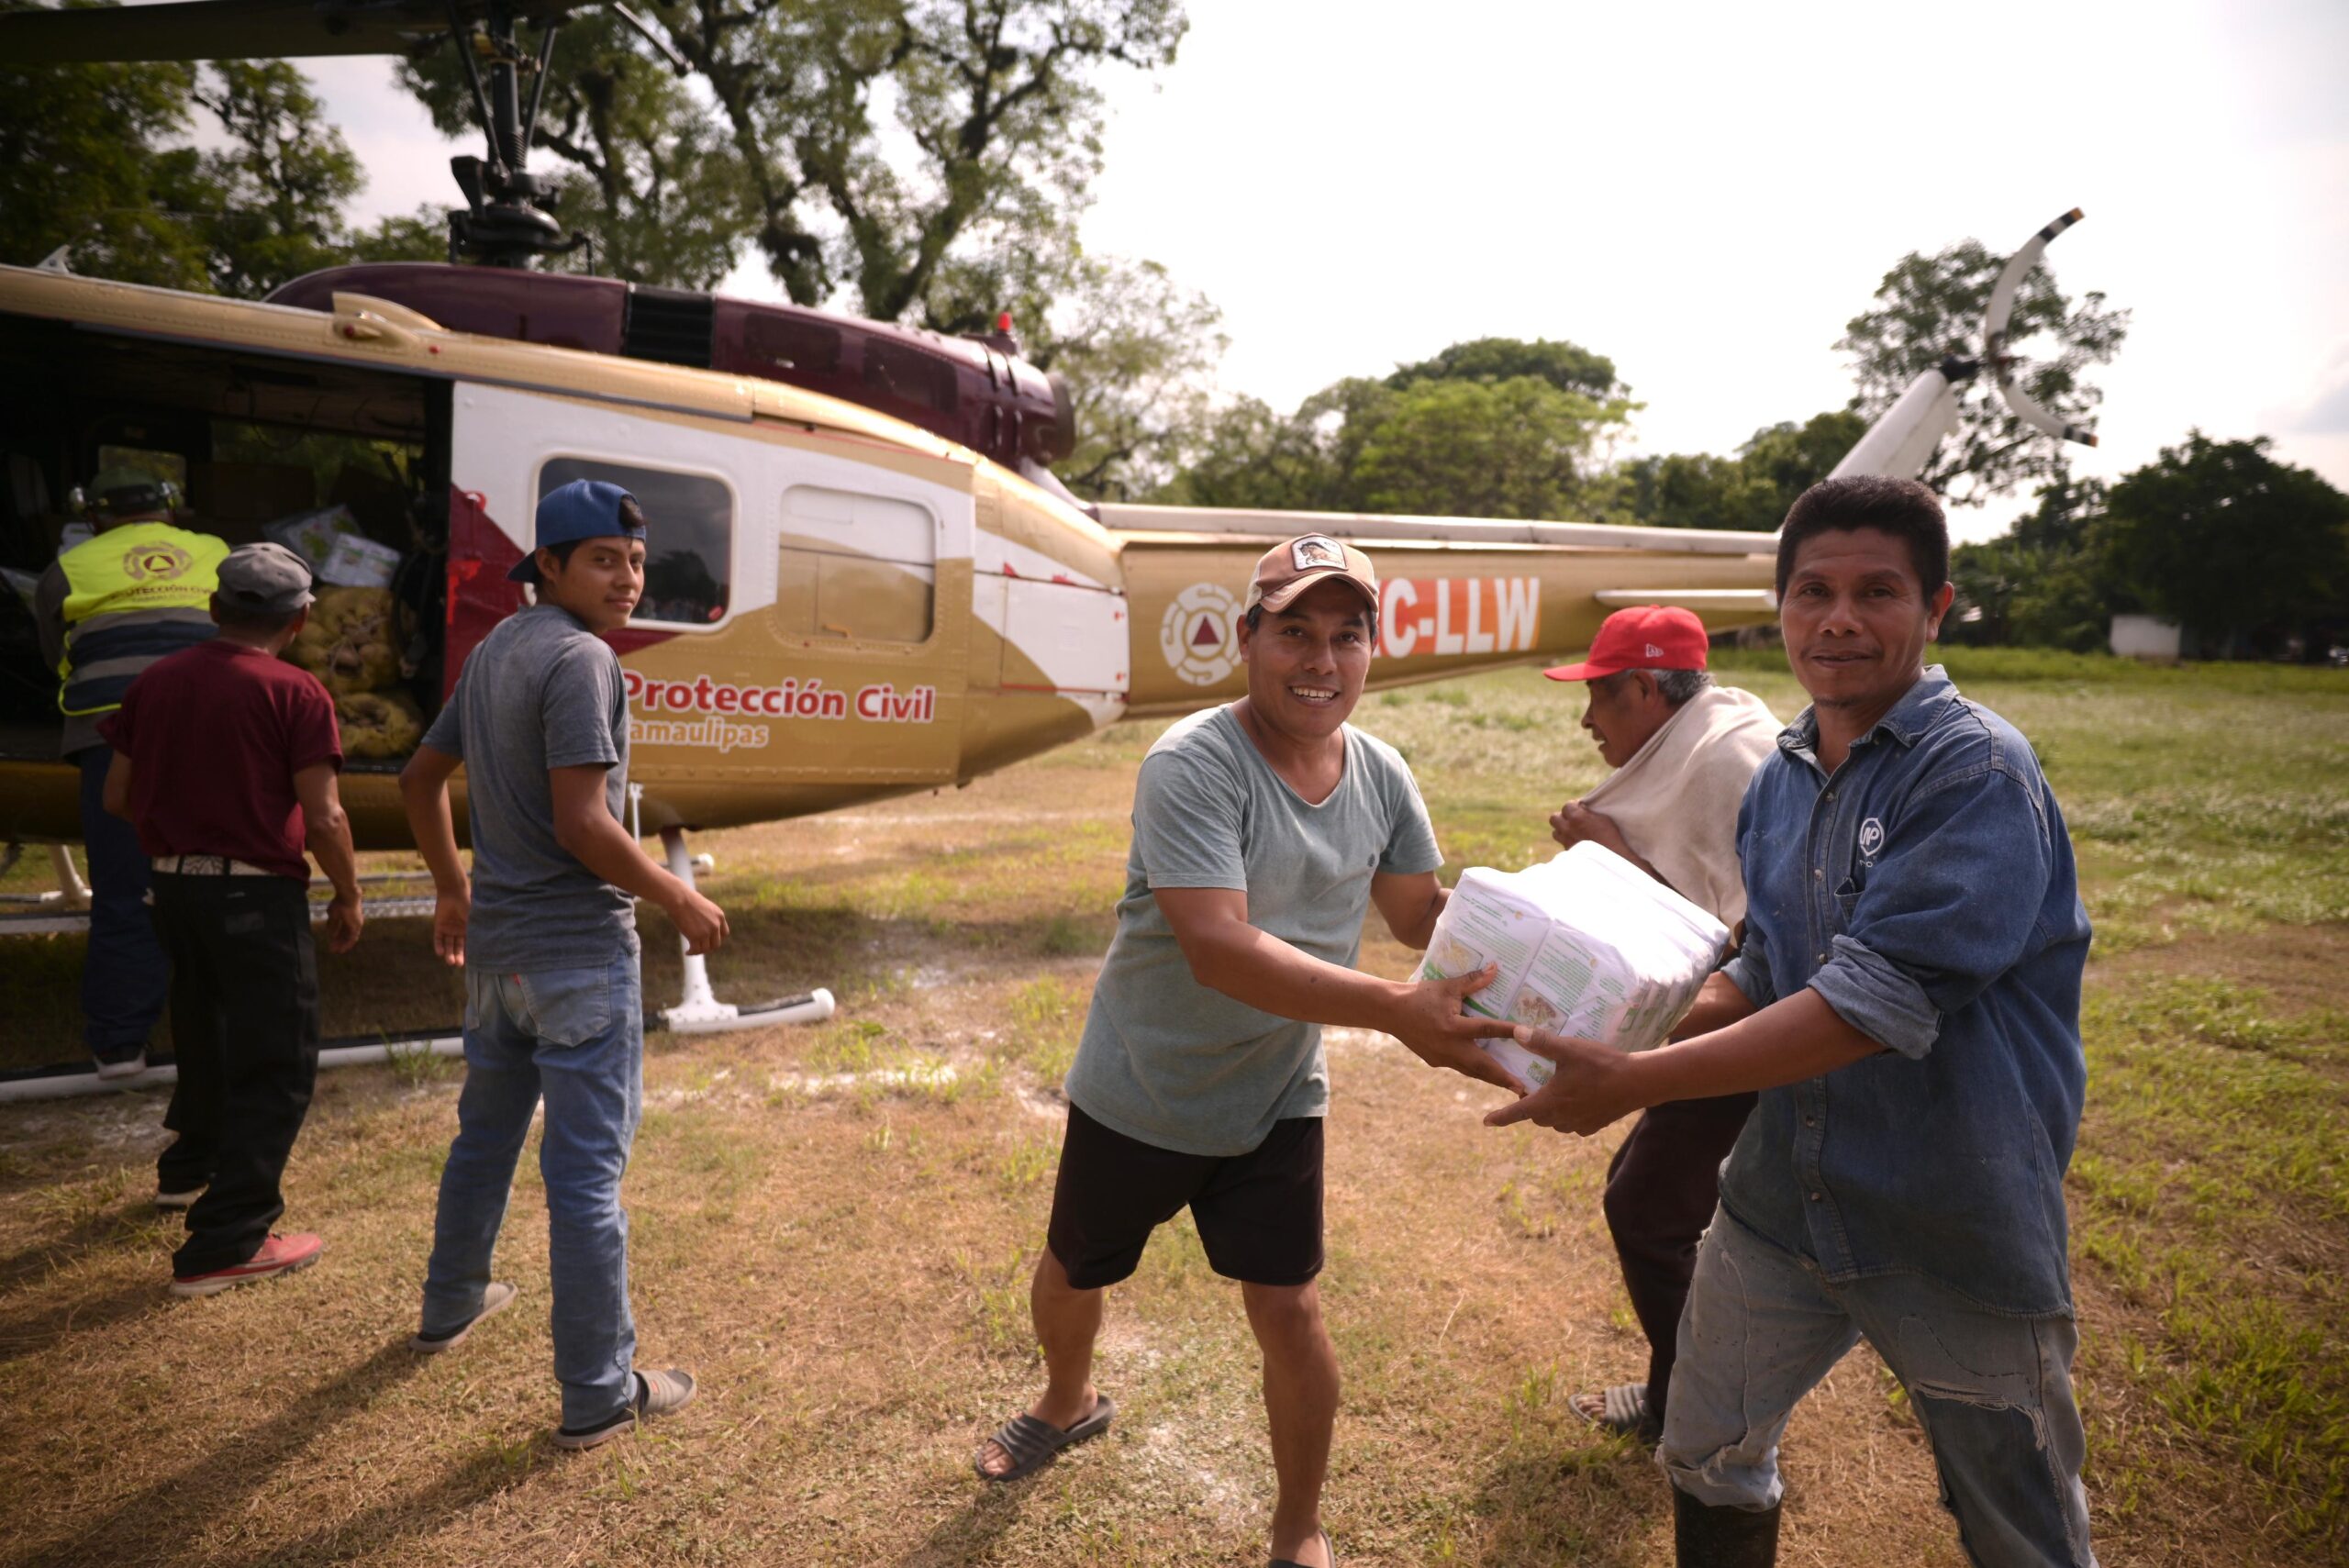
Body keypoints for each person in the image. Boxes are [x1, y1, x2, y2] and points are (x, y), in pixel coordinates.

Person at [1489, 476, 2096, 1568]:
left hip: (1949, 1213)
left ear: (1936, 607)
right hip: (1782, 1199)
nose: (1839, 618)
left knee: (2019, 1525)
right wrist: (1616, 1024)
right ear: (1778, 609)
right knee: (1706, 1447)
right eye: (1812, 589)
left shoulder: (1976, 772)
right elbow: (1764, 969)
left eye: (1877, 592)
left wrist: (1629, 1083)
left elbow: (1865, 1005)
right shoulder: (1781, 773)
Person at [973, 535, 1520, 1568]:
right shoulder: (1193, 763)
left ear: (1371, 651)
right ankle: (1064, 1396)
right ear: (1244, 640)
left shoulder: (1383, 772)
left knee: (1290, 1302)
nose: (1321, 658)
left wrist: (1540, 918)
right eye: (1295, 632)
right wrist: (1398, 1011)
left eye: (1345, 636)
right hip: (1143, 1082)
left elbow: (1416, 917)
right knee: (1075, 1266)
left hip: (1276, 1091)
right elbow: (1218, 946)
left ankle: (1296, 1524)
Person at [400, 479, 730, 1451]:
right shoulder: (582, 659)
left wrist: (452, 887)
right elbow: (584, 823)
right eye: (601, 558)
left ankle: (450, 1299)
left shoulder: (497, 646)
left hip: (498, 960)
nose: (627, 577)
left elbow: (420, 779)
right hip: (577, 960)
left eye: (635, 560)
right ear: (546, 564)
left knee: (483, 1139)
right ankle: (596, 1391)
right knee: (586, 1182)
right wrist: (675, 895)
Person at [1539, 605, 1780, 1444]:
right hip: (1738, 1021)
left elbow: (1750, 943)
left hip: (1762, 1026)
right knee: (1668, 1204)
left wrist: (1612, 854)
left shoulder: (1731, 762)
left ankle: (1701, 1412)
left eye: (1600, 698)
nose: (1587, 719)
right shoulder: (1709, 743)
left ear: (1644, 688)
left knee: (1647, 1208)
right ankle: (1694, 1394)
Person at [99, 542, 361, 1294]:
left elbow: (117, 796)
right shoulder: (298, 692)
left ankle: (188, 1170)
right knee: (277, 1063)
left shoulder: (155, 681)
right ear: (303, 618)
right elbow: (325, 813)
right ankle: (228, 1239)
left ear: (214, 609)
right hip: (255, 895)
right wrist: (349, 891)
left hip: (171, 889)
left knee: (204, 1031)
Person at [35, 468, 227, 1079]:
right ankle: (221, 1031)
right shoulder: (218, 552)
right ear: (171, 510)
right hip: (207, 730)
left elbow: (54, 656)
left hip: (112, 738)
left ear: (93, 518)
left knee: (123, 886)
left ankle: (120, 1044)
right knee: (213, 878)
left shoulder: (68, 568)